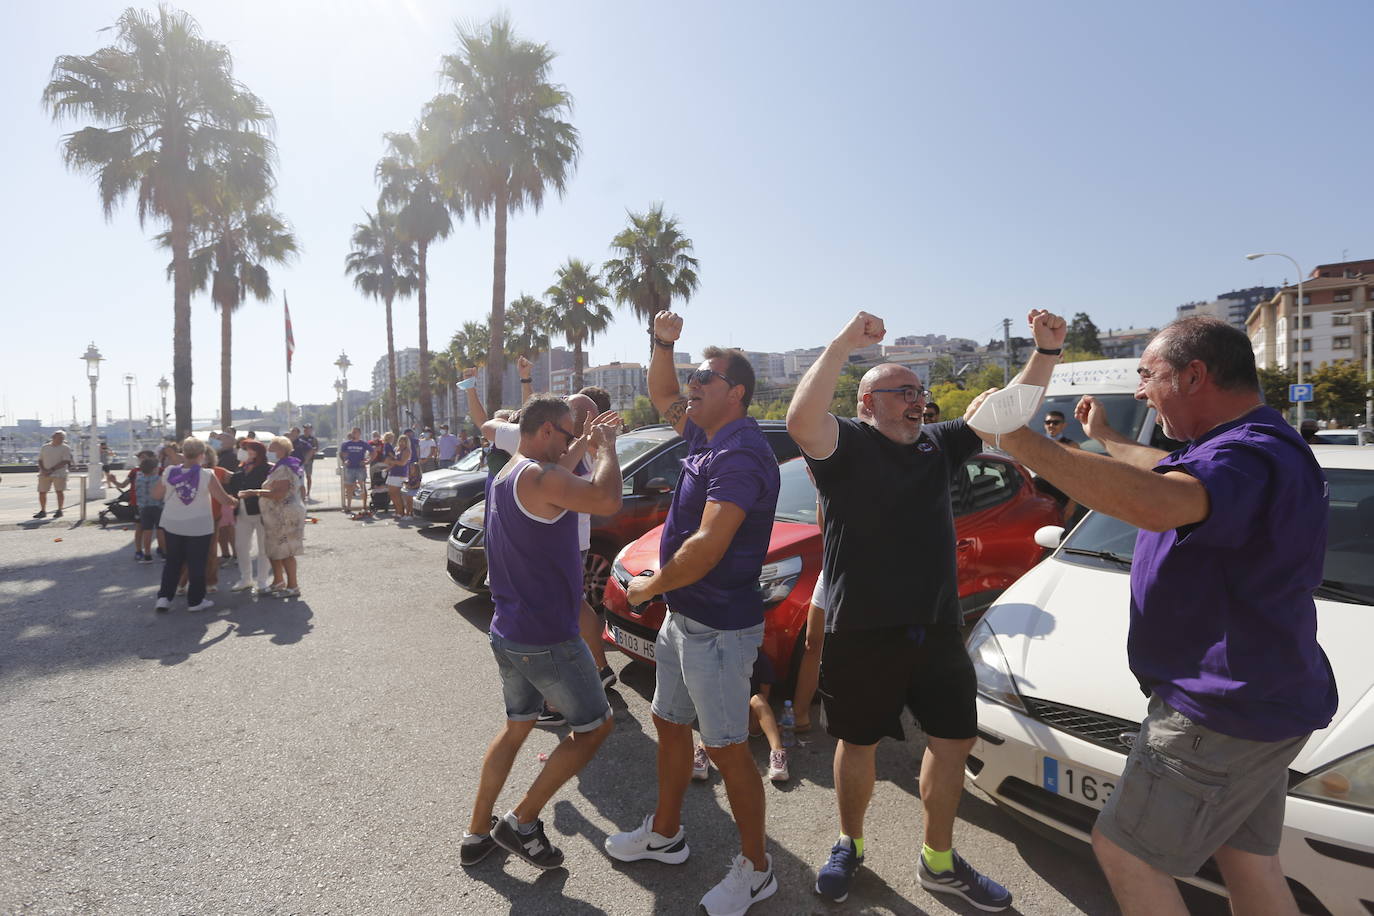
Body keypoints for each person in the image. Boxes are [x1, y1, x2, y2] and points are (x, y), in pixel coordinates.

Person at [963, 316, 1338, 916]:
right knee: (1248, 860)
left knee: (1126, 852)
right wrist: (1105, 435)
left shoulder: (1248, 454)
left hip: (1220, 711)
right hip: (1263, 701)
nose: (1140, 389)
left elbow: (1160, 502)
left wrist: (1017, 439)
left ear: (1195, 375)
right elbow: (1158, 472)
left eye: (1148, 375)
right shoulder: (1245, 446)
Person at [785, 310, 1065, 910]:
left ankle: (938, 860)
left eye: (920, 392)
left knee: (953, 739)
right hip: (861, 628)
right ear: (868, 402)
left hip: (936, 626)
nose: (919, 401)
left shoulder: (939, 444)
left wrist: (1046, 352)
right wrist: (842, 343)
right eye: (904, 392)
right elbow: (799, 420)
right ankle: (849, 843)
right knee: (858, 743)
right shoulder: (846, 446)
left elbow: (1009, 410)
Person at [608, 311, 781, 916]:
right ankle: (665, 832)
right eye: (694, 376)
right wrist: (664, 343)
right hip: (685, 622)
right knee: (670, 725)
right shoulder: (706, 436)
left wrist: (644, 588)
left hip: (719, 631)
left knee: (730, 748)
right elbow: (660, 392)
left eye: (705, 378)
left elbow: (707, 548)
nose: (692, 385)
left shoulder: (739, 454)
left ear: (735, 392)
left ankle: (758, 869)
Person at [461, 396, 623, 871]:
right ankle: (522, 821)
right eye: (570, 436)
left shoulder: (510, 473)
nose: (576, 444)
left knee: (516, 728)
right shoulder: (542, 477)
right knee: (596, 727)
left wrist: (581, 445)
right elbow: (607, 499)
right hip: (547, 637)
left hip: (509, 631)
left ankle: (475, 834)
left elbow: (558, 473)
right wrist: (608, 448)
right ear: (549, 430)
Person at [153, 437, 237, 613]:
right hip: (198, 525)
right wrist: (234, 501)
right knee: (197, 562)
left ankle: (164, 598)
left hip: (172, 522)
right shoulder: (207, 474)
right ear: (202, 455)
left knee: (172, 561)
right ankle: (195, 601)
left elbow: (156, 494)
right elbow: (221, 498)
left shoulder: (169, 471)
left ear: (184, 453)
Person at [240, 436, 308, 597]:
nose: (269, 451)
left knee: (286, 551)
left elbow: (279, 493)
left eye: (272, 448)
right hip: (275, 515)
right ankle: (278, 581)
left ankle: (293, 586)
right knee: (274, 550)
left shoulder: (285, 467)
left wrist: (254, 492)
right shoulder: (282, 465)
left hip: (284, 514)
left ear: (282, 450)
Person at [227, 439, 271, 593]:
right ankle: (246, 578)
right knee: (241, 546)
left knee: (263, 548)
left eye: (246, 448)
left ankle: (262, 581)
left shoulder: (267, 469)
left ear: (257, 452)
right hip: (242, 513)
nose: (242, 451)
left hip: (262, 513)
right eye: (242, 448)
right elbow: (232, 490)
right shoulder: (239, 471)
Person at [1034, 410, 1082, 523]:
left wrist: (1072, 505)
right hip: (1039, 500)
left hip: (1062, 502)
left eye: (1056, 422)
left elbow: (1078, 476)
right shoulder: (1036, 444)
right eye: (1048, 422)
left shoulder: (1072, 446)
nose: (1051, 425)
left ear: (1063, 425)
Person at [34, 431, 74, 519]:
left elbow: (65, 461)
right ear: (53, 437)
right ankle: (43, 510)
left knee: (59, 491)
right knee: (42, 492)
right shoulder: (45, 447)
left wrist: (52, 470)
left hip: (59, 473)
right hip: (44, 473)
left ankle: (59, 510)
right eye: (59, 437)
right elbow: (40, 459)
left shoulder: (65, 448)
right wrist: (43, 470)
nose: (61, 439)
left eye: (62, 438)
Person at [133, 456, 163, 564]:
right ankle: (164, 553)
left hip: (144, 508)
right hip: (158, 507)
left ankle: (147, 555)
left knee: (147, 531)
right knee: (160, 531)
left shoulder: (138, 479)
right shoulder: (159, 479)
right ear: (154, 469)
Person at [338, 427, 371, 516]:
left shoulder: (363, 444)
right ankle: (348, 506)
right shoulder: (346, 444)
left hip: (360, 468)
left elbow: (373, 452)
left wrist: (367, 461)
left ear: (359, 434)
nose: (353, 434)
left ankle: (364, 506)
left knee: (362, 486)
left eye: (355, 432)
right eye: (353, 432)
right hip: (350, 468)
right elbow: (341, 454)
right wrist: (344, 460)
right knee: (349, 487)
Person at [386, 432, 413, 519]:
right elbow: (392, 460)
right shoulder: (396, 449)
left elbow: (402, 463)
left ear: (406, 442)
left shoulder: (407, 451)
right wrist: (388, 466)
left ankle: (401, 512)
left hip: (400, 474)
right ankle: (397, 511)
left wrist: (392, 462)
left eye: (403, 441)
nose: (401, 443)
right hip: (392, 473)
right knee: (391, 494)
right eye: (400, 441)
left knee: (397, 494)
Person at [294, 423, 319, 500]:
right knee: (299, 477)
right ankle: (300, 492)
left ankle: (308, 492)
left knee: (308, 476)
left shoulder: (313, 439)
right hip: (300, 460)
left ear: (311, 430)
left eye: (308, 429)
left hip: (309, 461)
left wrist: (311, 452)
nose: (306, 430)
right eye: (305, 429)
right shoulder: (300, 438)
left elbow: (316, 449)